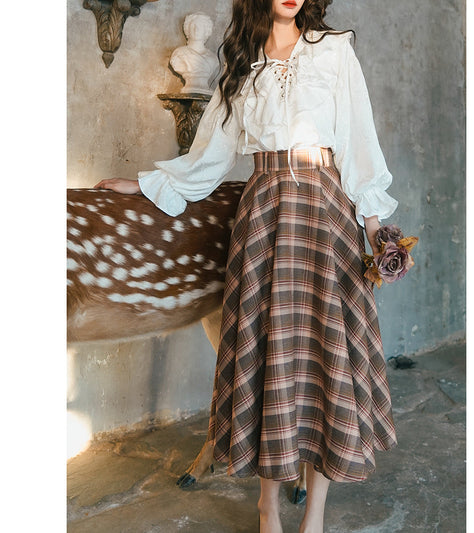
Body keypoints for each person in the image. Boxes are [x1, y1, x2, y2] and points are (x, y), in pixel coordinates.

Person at [96, 1, 399, 531]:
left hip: (327, 212)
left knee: (325, 358)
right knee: (268, 355)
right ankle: (268, 506)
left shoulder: (334, 51)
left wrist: (377, 229)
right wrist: (147, 186)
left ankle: (316, 512)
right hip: (263, 213)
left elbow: (360, 143)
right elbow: (210, 154)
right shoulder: (241, 59)